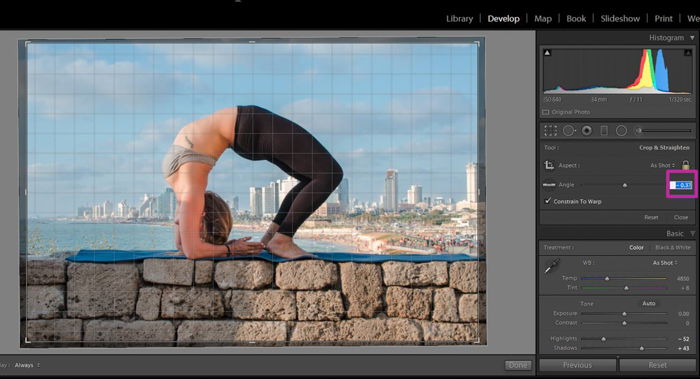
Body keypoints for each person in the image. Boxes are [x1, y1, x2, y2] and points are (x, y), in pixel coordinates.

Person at [162, 105, 344, 259]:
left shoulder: (189, 192)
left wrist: (223, 248)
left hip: (242, 128)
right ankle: (281, 240)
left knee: (314, 177)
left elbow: (184, 247)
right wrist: (231, 249)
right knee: (329, 174)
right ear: (203, 215)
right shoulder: (189, 189)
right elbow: (191, 250)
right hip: (247, 126)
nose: (190, 225)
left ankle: (272, 239)